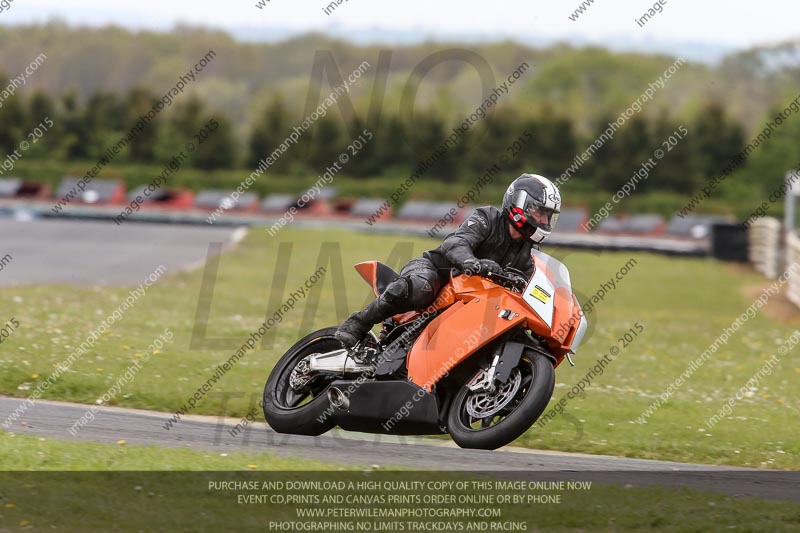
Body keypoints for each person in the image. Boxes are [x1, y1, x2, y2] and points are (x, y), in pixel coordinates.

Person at [335, 173, 562, 349]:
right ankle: (358, 323)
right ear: (520, 204)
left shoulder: (529, 252)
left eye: (547, 216)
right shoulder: (487, 218)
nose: (543, 220)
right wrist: (472, 262)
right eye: (539, 212)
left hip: (474, 298)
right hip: (437, 271)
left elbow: (530, 285)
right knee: (420, 288)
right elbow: (455, 243)